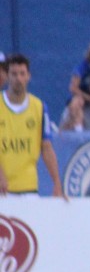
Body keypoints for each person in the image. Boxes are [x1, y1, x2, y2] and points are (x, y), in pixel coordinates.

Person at [0, 54, 66, 199]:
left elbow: (46, 147)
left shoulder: (39, 107)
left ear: (28, 76)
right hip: (2, 188)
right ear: (7, 76)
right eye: (14, 74)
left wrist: (56, 182)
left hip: (29, 187)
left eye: (22, 74)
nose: (18, 78)